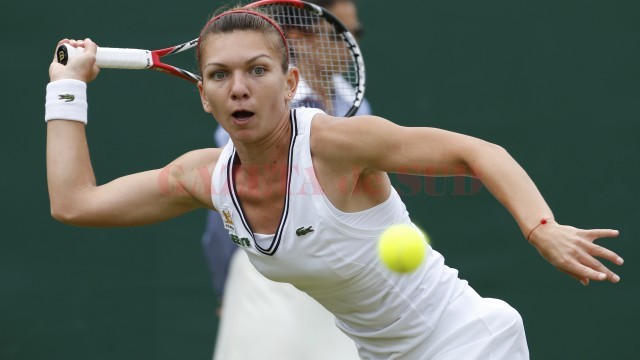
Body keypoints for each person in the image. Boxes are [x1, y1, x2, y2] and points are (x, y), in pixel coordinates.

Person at [45, 7, 624, 360]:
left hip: (467, 344)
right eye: (219, 75)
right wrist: (67, 89)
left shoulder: (337, 144)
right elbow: (75, 204)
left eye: (257, 70)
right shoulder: (204, 177)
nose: (239, 87)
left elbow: (478, 152)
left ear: (290, 79)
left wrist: (540, 227)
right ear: (203, 94)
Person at [201, 1, 370, 358]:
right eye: (339, 34)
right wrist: (224, 283)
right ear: (300, 39)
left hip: (344, 279)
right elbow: (229, 205)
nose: (351, 42)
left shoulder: (356, 104)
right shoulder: (255, 111)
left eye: (356, 33)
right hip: (272, 279)